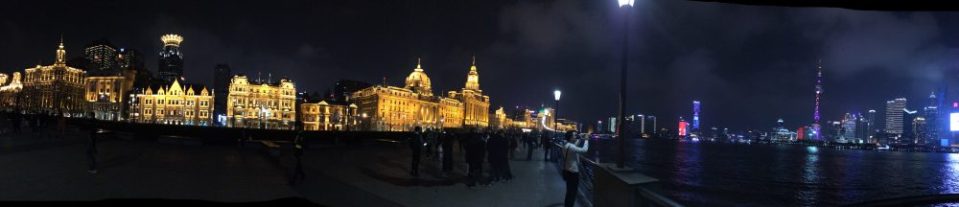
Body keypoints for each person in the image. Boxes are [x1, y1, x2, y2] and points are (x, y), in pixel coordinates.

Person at [561, 131, 589, 207]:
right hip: (573, 172)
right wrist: (586, 140)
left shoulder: (566, 145)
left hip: (567, 171)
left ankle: (567, 205)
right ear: (570, 137)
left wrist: (580, 138)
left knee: (569, 191)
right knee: (573, 192)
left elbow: (575, 145)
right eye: (574, 136)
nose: (575, 136)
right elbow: (584, 150)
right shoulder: (571, 147)